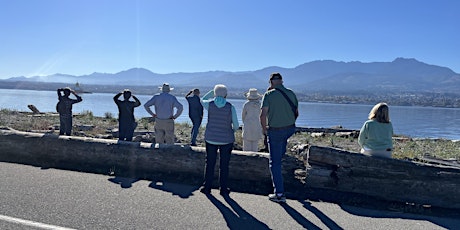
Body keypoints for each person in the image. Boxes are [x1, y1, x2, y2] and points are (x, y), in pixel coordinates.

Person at [260, 72, 298, 203]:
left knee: (274, 163)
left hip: (275, 131)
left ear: (271, 82)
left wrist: (265, 130)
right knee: (280, 153)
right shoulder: (291, 93)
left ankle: (279, 193)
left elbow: (263, 115)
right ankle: (282, 158)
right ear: (282, 81)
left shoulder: (268, 95)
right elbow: (296, 112)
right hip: (289, 128)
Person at [200, 84, 239, 196]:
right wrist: (232, 130)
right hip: (226, 139)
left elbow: (203, 99)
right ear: (226, 94)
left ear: (215, 93)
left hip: (211, 138)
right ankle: (223, 188)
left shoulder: (210, 105)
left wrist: (213, 92)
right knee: (224, 164)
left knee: (210, 163)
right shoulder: (230, 107)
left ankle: (207, 187)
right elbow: (236, 124)